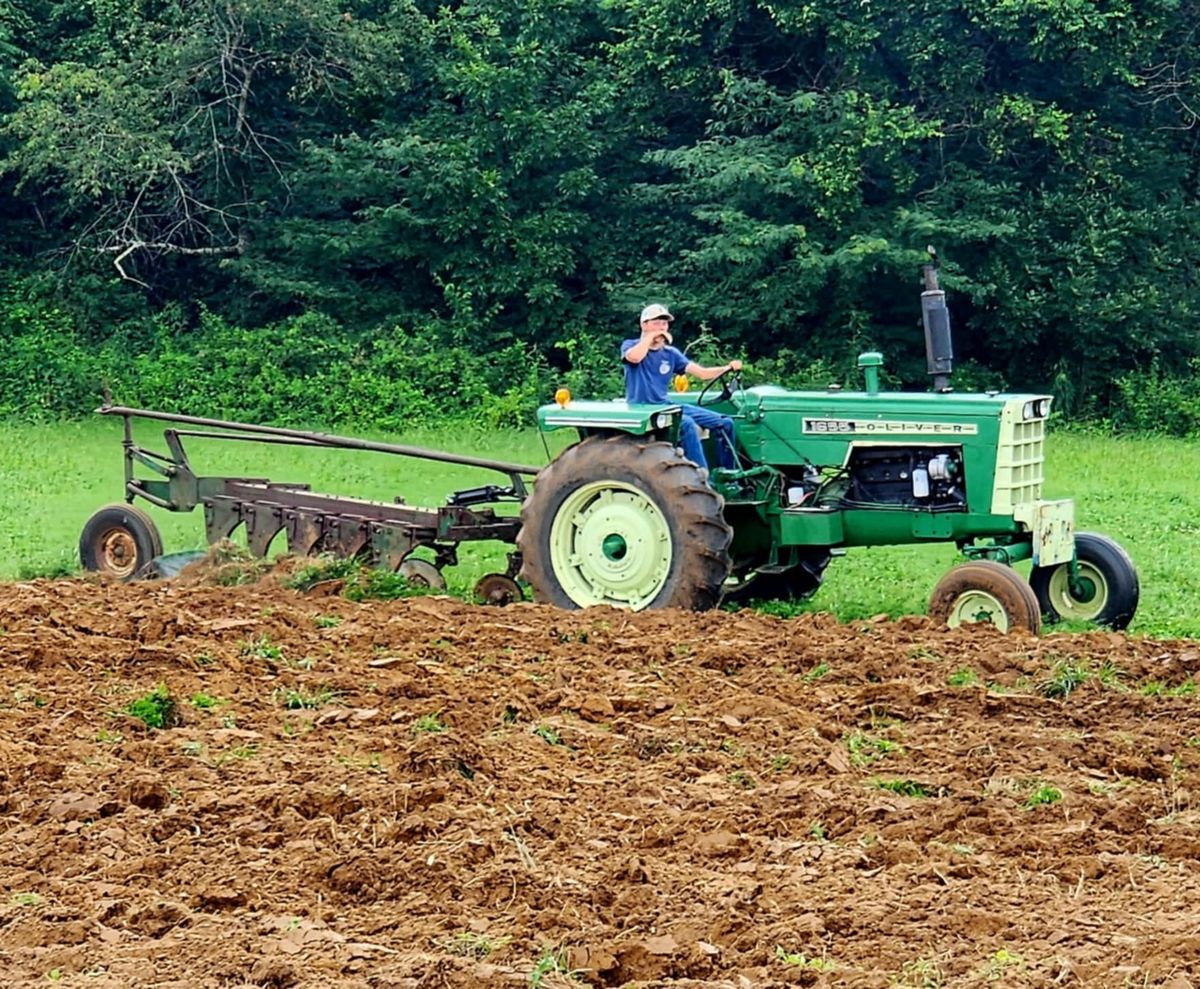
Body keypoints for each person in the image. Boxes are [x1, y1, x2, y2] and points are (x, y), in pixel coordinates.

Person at [621, 303, 741, 473]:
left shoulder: (670, 354)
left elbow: (702, 373)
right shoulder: (630, 345)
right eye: (657, 323)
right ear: (644, 325)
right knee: (687, 424)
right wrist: (649, 338)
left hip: (665, 404)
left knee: (725, 423)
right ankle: (702, 479)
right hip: (643, 408)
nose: (662, 327)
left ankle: (729, 476)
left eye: (665, 324)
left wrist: (727, 368)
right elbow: (634, 358)